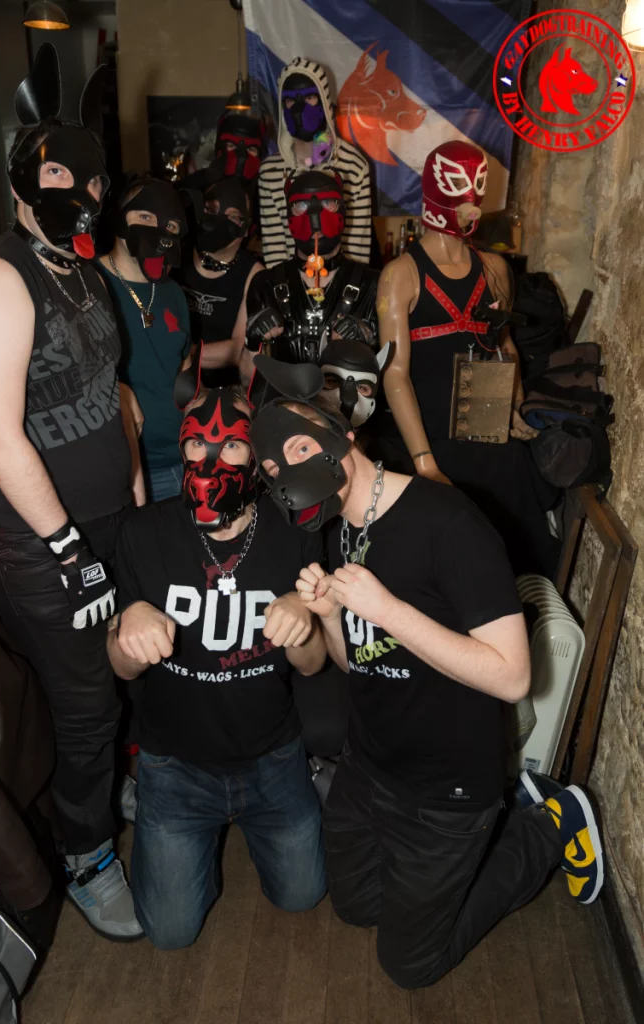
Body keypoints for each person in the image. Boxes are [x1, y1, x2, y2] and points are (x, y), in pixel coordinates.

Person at [248, 357, 604, 990]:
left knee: (409, 966)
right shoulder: (336, 529)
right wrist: (330, 616)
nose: (288, 472)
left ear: (343, 435)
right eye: (273, 470)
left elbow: (513, 677)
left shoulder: (448, 520)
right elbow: (355, 659)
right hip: (369, 766)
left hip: (448, 792)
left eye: (299, 448)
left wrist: (388, 609)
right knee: (357, 908)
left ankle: (548, 825)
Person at [0, 44, 142, 940]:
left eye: (92, 179)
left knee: (111, 677)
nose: (83, 193)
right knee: (83, 701)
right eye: (62, 175)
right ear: (25, 179)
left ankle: (89, 793)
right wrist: (69, 550)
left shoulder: (85, 270)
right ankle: (85, 851)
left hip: (102, 521)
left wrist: (130, 481)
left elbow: (113, 390)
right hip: (38, 541)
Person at [108, 376, 327, 949]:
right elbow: (122, 669)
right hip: (175, 766)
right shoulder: (142, 532)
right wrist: (128, 624)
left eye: (231, 445)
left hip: (272, 756)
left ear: (256, 453)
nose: (210, 459)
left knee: (304, 894)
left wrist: (303, 620)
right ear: (179, 446)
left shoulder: (294, 533)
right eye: (195, 444)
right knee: (170, 932)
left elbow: (312, 666)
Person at [371, 140, 559, 576]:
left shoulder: (495, 269)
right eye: (459, 188)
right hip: (429, 436)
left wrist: (516, 404)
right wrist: (423, 460)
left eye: (477, 188)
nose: (470, 203)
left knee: (519, 513)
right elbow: (394, 373)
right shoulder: (401, 275)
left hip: (484, 427)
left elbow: (505, 346)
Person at [100, 175, 192, 502]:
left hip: (183, 461)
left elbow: (184, 371)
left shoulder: (173, 293)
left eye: (169, 224)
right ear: (119, 217)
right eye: (145, 216)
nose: (157, 230)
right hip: (124, 469)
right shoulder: (88, 286)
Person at [247, 170, 379, 367]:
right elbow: (247, 377)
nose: (315, 216)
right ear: (288, 215)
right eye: (301, 206)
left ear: (342, 211)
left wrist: (370, 337)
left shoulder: (373, 285)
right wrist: (252, 342)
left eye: (328, 203)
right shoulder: (264, 284)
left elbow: (391, 370)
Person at [259, 58, 372, 268]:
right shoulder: (270, 172)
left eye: (309, 97)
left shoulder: (353, 166)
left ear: (324, 100)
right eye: (290, 100)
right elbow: (274, 248)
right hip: (292, 282)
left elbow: (358, 245)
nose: (299, 108)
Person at [172, 177, 262, 388]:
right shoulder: (177, 256)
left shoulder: (253, 273)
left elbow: (237, 349)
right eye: (211, 210)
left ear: (246, 228)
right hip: (171, 379)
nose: (219, 221)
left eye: (233, 216)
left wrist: (181, 353)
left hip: (223, 389)